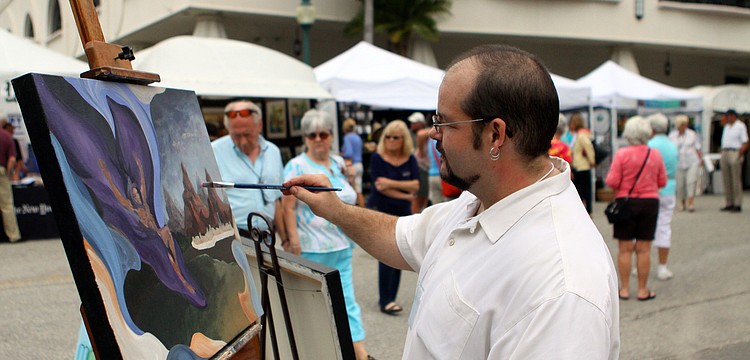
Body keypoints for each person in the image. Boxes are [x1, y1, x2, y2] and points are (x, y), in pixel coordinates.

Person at [282, 44, 619, 358]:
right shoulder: (479, 199)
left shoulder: (560, 287)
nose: (433, 133)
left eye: (443, 121)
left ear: (496, 134)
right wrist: (336, 211)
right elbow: (401, 237)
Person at [281, 109, 373, 360]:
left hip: (341, 245)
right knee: (313, 303)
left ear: (331, 136)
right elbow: (287, 206)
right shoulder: (296, 165)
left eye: (323, 133)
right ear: (305, 138)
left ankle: (359, 353)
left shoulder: (339, 163)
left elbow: (350, 197)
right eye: (312, 134)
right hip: (312, 248)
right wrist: (293, 238)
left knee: (347, 301)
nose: (318, 139)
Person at [606, 116, 667, 301]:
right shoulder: (654, 154)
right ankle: (642, 290)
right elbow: (662, 181)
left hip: (626, 203)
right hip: (650, 203)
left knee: (625, 248)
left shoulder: (622, 154)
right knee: (644, 248)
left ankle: (624, 289)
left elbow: (612, 181)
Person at [366, 120, 419, 316]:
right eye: (387, 136)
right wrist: (405, 192)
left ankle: (391, 297)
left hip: (403, 212)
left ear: (403, 139)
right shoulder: (377, 158)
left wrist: (391, 184)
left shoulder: (409, 159)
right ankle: (385, 299)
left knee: (400, 253)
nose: (390, 140)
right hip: (382, 209)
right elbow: (380, 187)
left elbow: (415, 185)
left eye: (395, 137)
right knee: (385, 254)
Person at [211, 100, 285, 234]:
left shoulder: (273, 151)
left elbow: (276, 199)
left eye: (247, 134)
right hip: (236, 235)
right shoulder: (214, 151)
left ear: (260, 125)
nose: (243, 141)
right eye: (236, 136)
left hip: (267, 235)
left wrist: (285, 238)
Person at [647, 113, 678, 281]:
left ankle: (641, 265)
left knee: (645, 227)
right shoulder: (672, 145)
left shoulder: (649, 145)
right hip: (668, 188)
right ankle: (662, 267)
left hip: (650, 190)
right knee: (664, 226)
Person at [669, 115, 703, 212]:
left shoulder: (692, 134)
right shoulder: (672, 136)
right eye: (682, 124)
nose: (685, 126)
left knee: (690, 181)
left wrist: (701, 160)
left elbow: (698, 147)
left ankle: (691, 203)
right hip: (678, 162)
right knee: (680, 184)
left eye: (686, 124)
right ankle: (682, 203)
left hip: (692, 161)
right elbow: (670, 149)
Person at [718, 109, 748, 213]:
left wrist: (739, 154)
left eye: (728, 116)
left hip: (734, 151)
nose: (727, 118)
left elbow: (745, 142)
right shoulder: (726, 126)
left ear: (733, 116)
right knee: (726, 179)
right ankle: (729, 202)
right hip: (725, 151)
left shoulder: (740, 126)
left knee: (735, 179)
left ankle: (737, 203)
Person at [570, 113, 596, 215]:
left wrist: (592, 161)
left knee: (583, 191)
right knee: (583, 190)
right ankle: (585, 211)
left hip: (582, 166)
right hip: (580, 166)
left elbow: (588, 147)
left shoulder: (581, 135)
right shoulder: (580, 134)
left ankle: (587, 211)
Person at [0, 119, 21, 243]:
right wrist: (8, 173)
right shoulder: (7, 137)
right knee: (6, 205)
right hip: (1, 170)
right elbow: (12, 159)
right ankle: (13, 235)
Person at [408, 112, 430, 213]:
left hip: (424, 167)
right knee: (419, 195)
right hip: (420, 167)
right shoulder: (411, 133)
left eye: (414, 122)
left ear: (420, 123)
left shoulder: (424, 133)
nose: (411, 124)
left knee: (424, 194)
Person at [341, 118, 365, 207]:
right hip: (360, 164)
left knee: (350, 191)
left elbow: (349, 153)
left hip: (352, 166)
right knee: (359, 190)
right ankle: (364, 212)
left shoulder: (347, 137)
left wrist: (341, 154)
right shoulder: (357, 137)